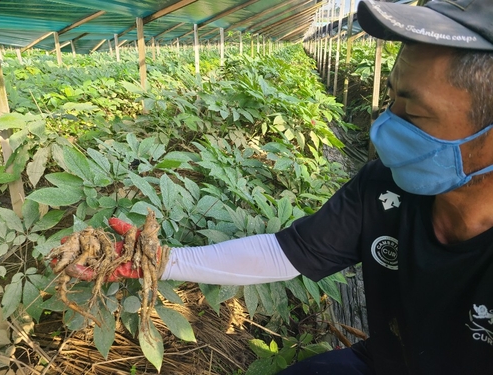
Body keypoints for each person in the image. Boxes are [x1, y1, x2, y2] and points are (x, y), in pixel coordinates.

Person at [51, 0, 493, 374]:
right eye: (392, 96)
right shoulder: (383, 189)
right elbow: (284, 253)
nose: (385, 121)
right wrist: (161, 260)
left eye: (412, 114)